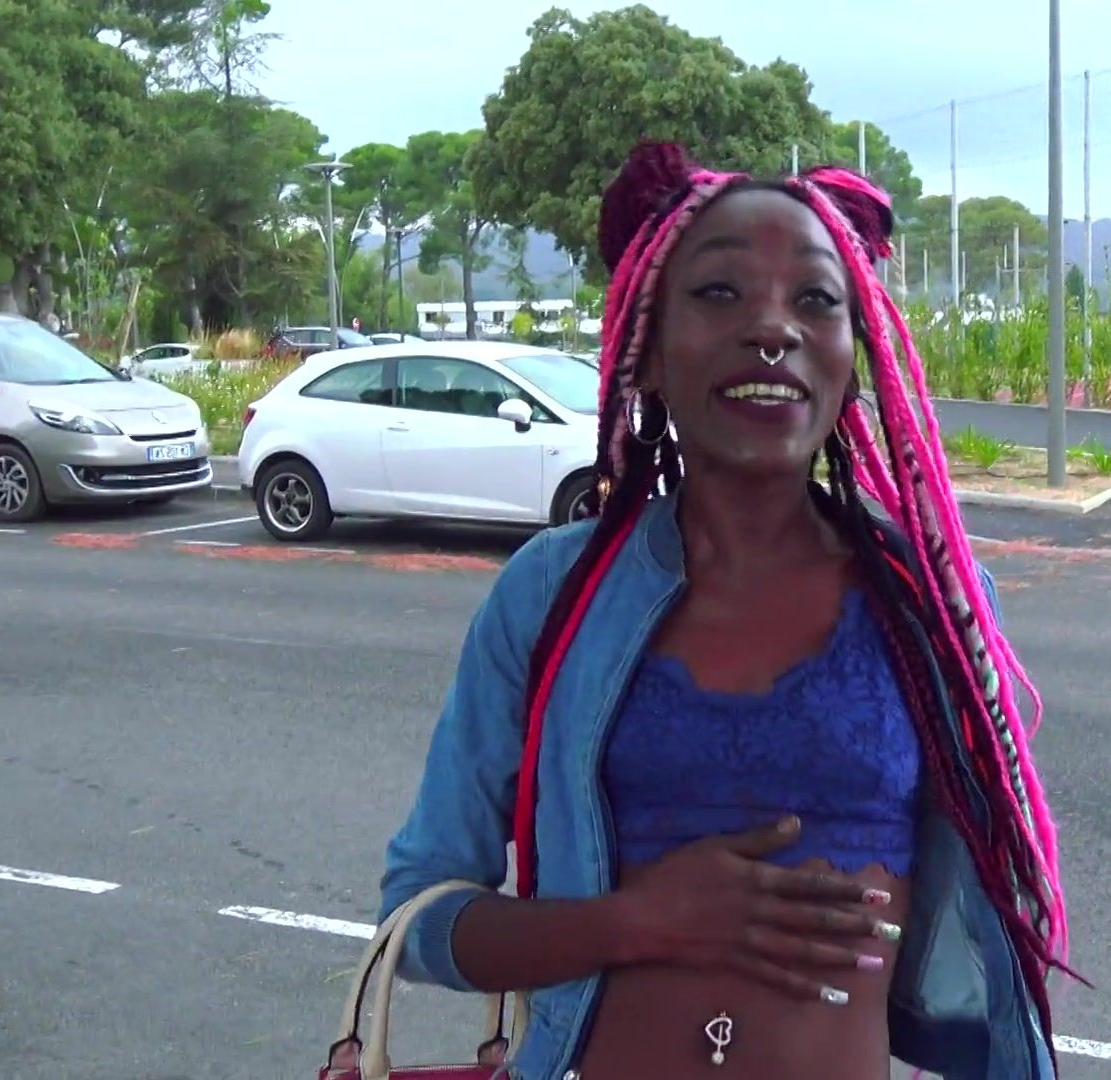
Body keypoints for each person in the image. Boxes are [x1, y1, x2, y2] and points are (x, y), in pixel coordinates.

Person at [379, 141, 1070, 1080]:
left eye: (816, 299)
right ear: (646, 355)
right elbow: (419, 917)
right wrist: (637, 921)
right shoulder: (548, 594)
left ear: (854, 356)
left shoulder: (932, 606)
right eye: (719, 293)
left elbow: (995, 932)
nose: (773, 328)